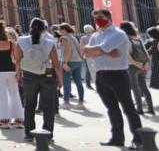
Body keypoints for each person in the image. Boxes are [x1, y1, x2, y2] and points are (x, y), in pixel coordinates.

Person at [85, 8, 144, 148]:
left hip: (118, 75)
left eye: (99, 17)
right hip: (100, 75)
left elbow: (95, 50)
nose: (97, 20)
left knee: (128, 108)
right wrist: (106, 52)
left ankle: (139, 139)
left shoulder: (118, 33)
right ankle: (117, 138)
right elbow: (86, 51)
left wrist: (98, 51)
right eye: (95, 18)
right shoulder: (95, 35)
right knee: (111, 109)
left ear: (108, 17)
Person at [17, 17, 61, 141]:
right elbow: (56, 64)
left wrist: (19, 75)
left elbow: (17, 61)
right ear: (44, 29)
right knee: (48, 106)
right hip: (47, 76)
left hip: (29, 76)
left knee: (29, 105)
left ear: (30, 28)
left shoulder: (21, 41)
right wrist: (59, 79)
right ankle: (47, 134)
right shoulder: (49, 42)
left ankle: (29, 133)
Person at [122, 22, 155, 115]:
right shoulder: (139, 39)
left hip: (132, 67)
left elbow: (128, 55)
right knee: (144, 87)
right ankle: (151, 108)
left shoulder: (126, 39)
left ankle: (139, 109)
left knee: (135, 88)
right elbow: (146, 53)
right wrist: (146, 64)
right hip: (143, 65)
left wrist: (137, 65)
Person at [57, 23, 86, 107]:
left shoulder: (64, 38)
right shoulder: (74, 37)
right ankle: (81, 102)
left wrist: (65, 62)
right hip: (78, 61)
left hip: (69, 62)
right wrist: (81, 58)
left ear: (64, 30)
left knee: (66, 82)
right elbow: (79, 49)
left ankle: (66, 102)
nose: (59, 31)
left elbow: (67, 50)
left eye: (60, 29)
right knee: (78, 82)